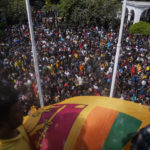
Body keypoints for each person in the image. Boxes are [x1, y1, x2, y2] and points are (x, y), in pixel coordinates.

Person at [0, 81, 32, 150]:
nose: (23, 110)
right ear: (2, 125)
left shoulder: (17, 125)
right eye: (17, 111)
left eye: (20, 107)